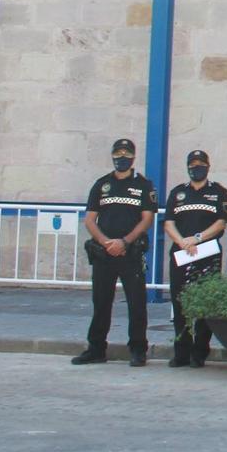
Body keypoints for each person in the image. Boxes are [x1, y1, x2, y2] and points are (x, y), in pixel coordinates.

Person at [71, 136, 156, 367]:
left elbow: (147, 219)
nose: (122, 159)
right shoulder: (102, 184)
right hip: (104, 253)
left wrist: (125, 242)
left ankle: (138, 349)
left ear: (133, 157)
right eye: (118, 155)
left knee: (137, 303)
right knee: (101, 302)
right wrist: (107, 242)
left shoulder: (143, 185)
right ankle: (96, 349)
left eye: (126, 155)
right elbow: (89, 220)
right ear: (112, 156)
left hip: (130, 253)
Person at [163, 148, 227, 367]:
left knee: (205, 303)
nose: (196, 169)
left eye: (200, 165)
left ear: (208, 167)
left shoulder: (218, 192)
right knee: (180, 302)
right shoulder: (177, 193)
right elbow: (168, 223)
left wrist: (197, 238)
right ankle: (181, 352)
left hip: (207, 253)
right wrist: (182, 241)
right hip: (182, 253)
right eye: (192, 166)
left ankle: (199, 353)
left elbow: (221, 222)